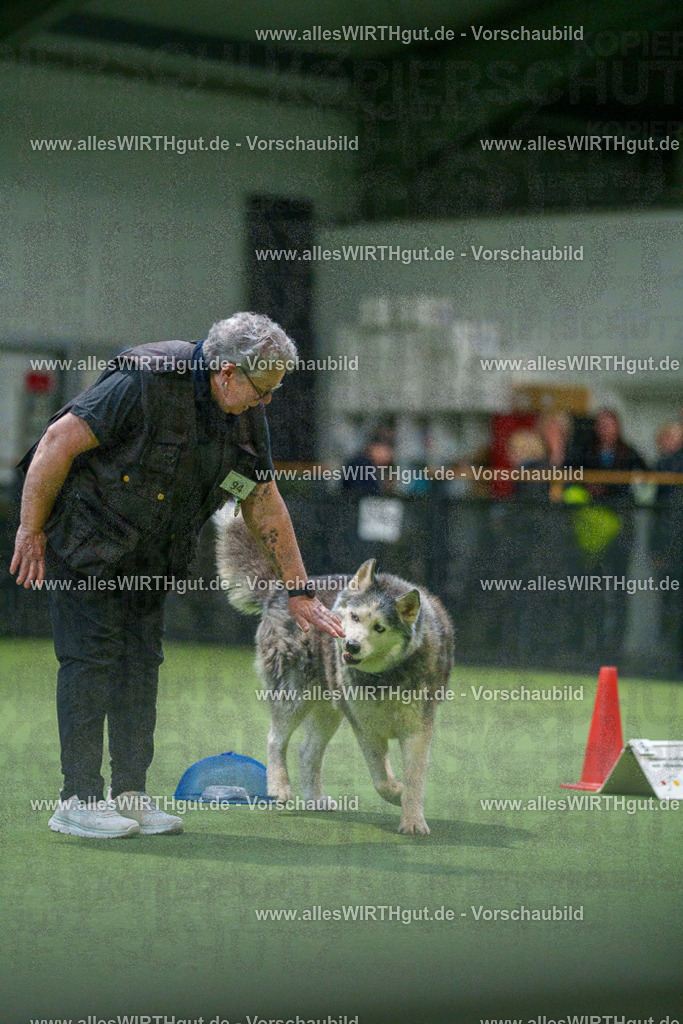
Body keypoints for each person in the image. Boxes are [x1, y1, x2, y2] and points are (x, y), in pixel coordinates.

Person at [10, 312, 344, 839]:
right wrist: (30, 528)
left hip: (150, 556)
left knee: (140, 665)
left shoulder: (244, 412)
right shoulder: (145, 378)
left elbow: (263, 500)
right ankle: (77, 798)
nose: (268, 402)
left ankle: (130, 793)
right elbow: (57, 442)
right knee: (91, 659)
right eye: (263, 389)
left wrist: (300, 590)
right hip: (87, 543)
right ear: (228, 372)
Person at [579, 408, 647, 658]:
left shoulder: (628, 452)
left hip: (621, 527)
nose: (605, 430)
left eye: (610, 425)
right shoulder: (587, 451)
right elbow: (571, 474)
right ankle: (593, 643)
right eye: (601, 425)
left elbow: (646, 477)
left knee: (618, 587)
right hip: (594, 529)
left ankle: (616, 645)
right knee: (593, 588)